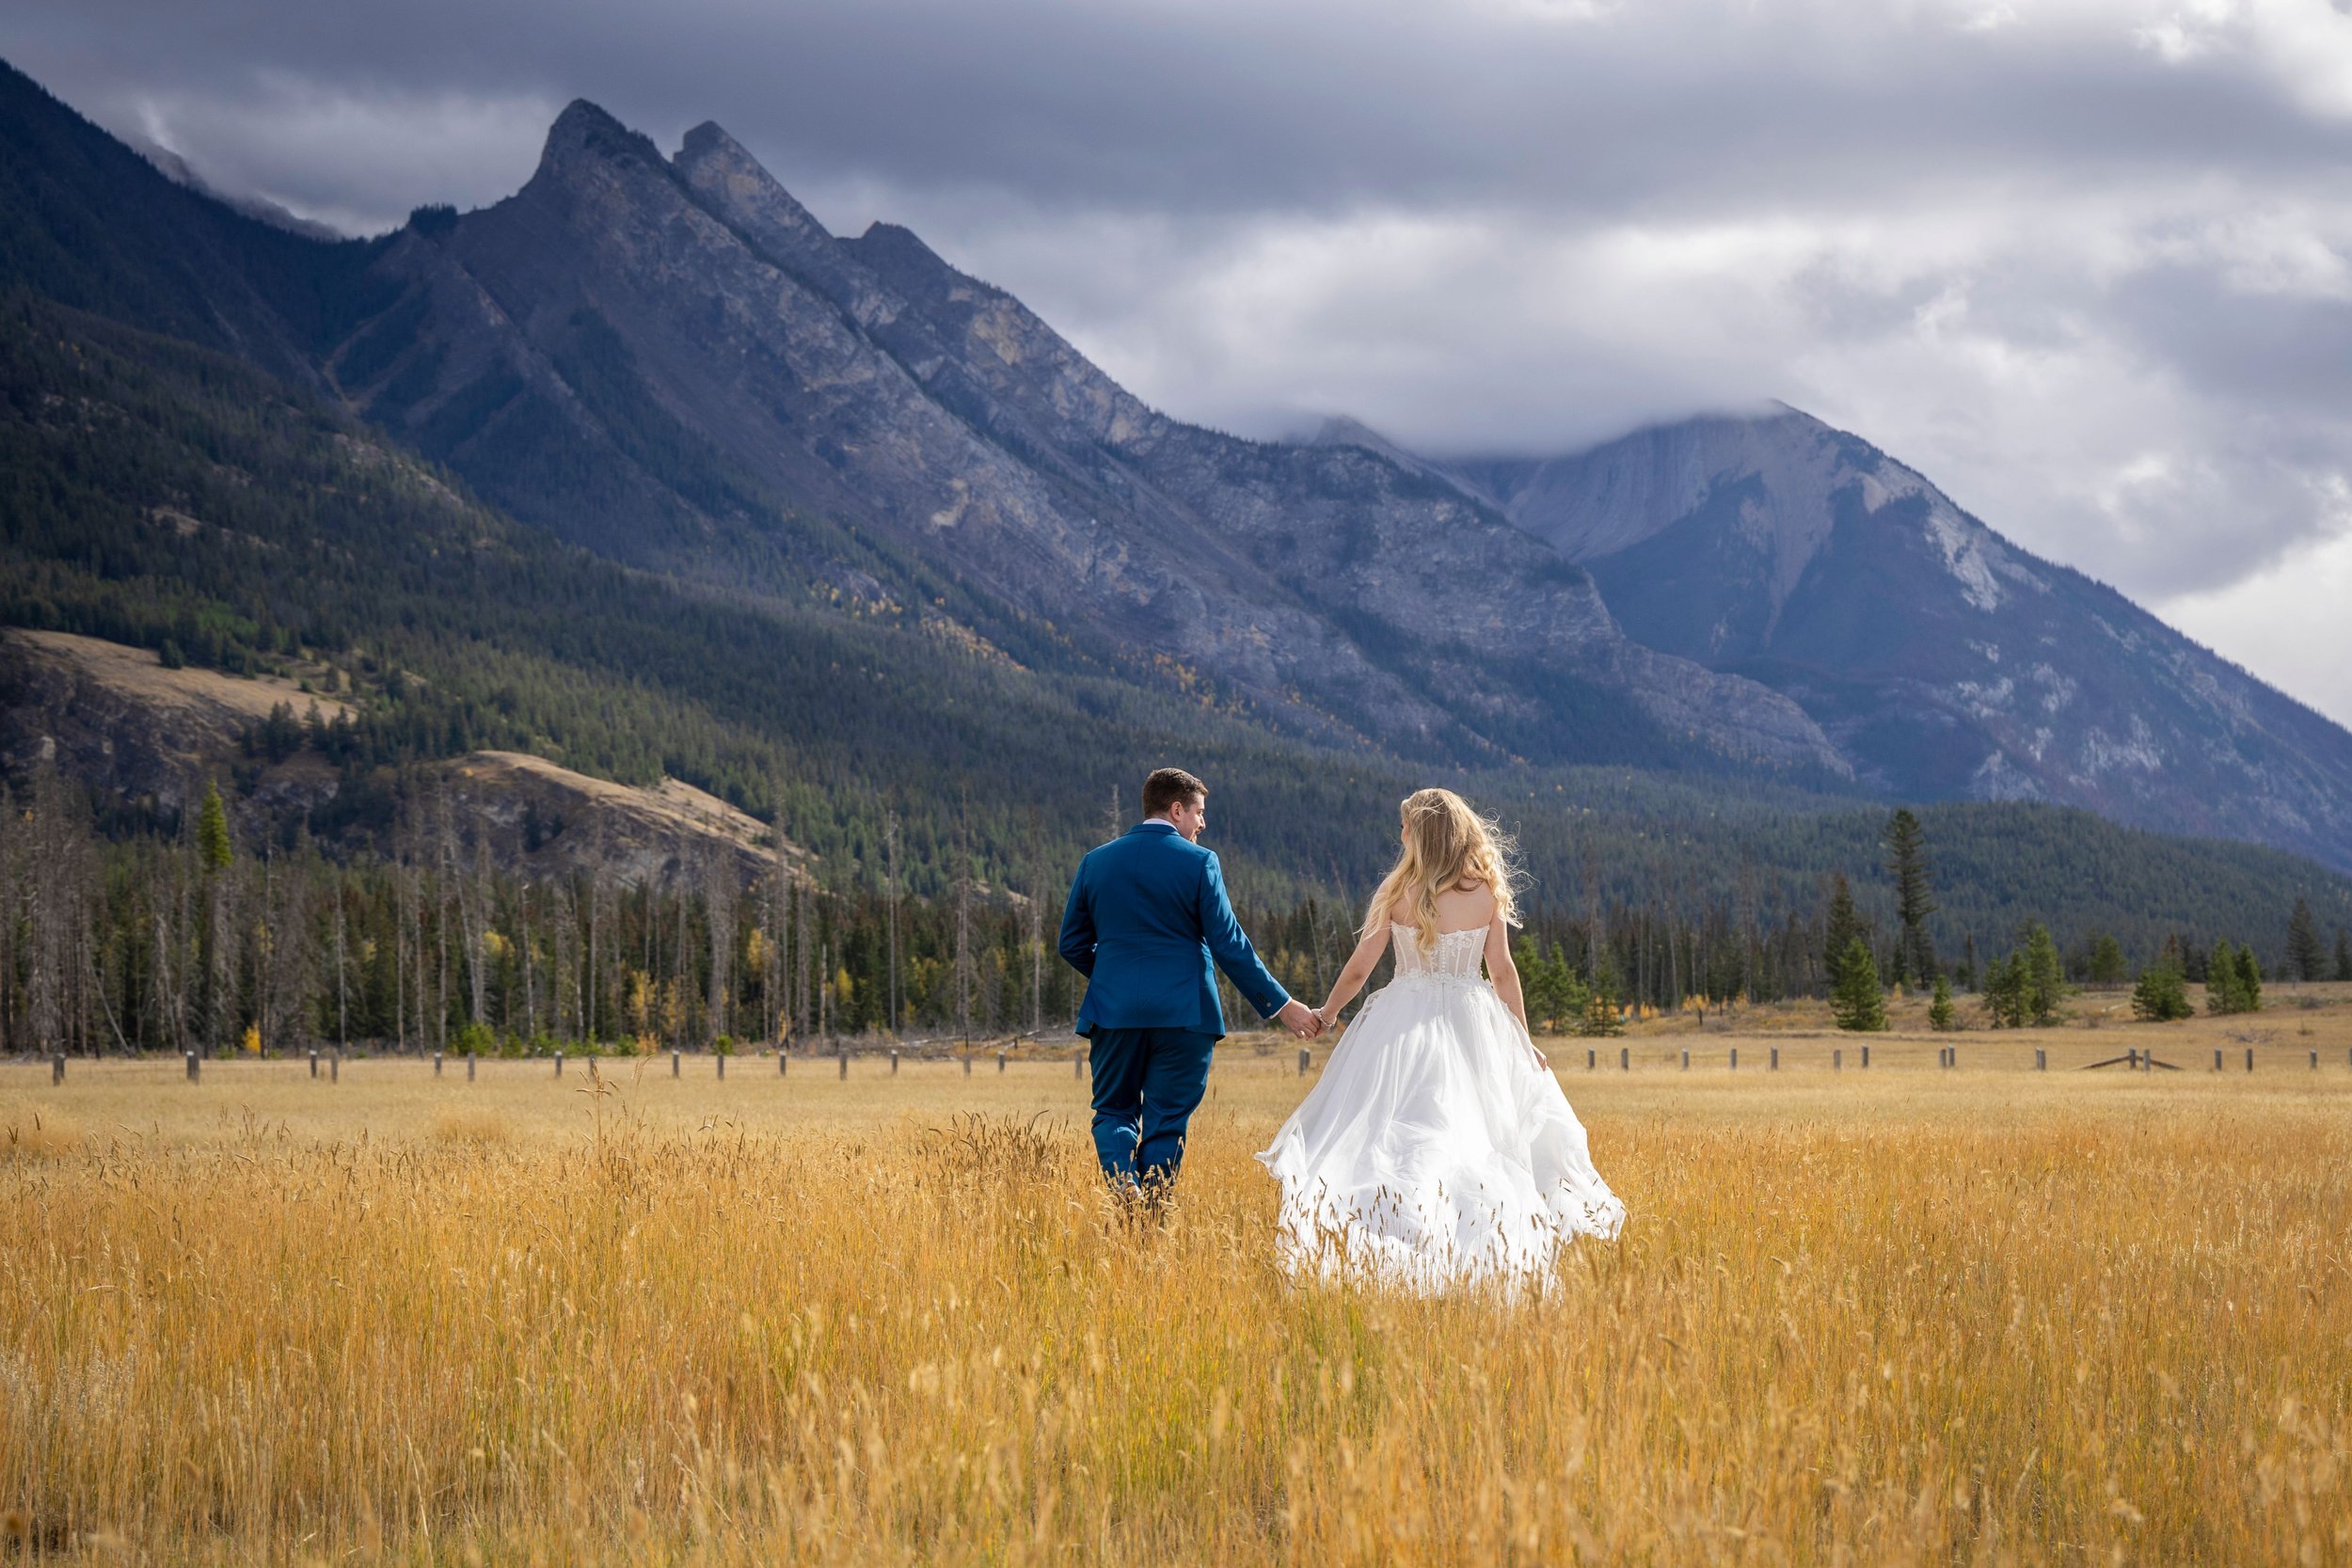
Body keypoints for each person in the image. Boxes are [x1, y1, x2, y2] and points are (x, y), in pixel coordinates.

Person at [1256, 787, 1623, 1290]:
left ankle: (1403, 1223)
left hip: (1403, 1020)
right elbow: (1503, 971)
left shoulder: (1398, 891)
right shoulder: (1486, 890)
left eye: (1406, 825)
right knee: (1472, 1129)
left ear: (1422, 834)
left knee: (1398, 1124)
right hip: (1474, 1021)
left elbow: (1363, 965)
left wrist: (1330, 1012)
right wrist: (1521, 1035)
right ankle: (1470, 1237)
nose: (1401, 833)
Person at [1058, 768, 1321, 1205]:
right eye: (1199, 813)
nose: (1202, 823)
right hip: (1186, 1016)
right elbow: (1229, 943)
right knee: (1167, 1122)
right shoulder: (1201, 862)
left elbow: (1071, 944)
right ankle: (1152, 1217)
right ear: (1177, 810)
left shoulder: (1095, 862)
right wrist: (1282, 1005)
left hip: (1113, 1014)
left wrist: (1113, 980)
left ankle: (1124, 1187)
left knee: (1113, 1111)